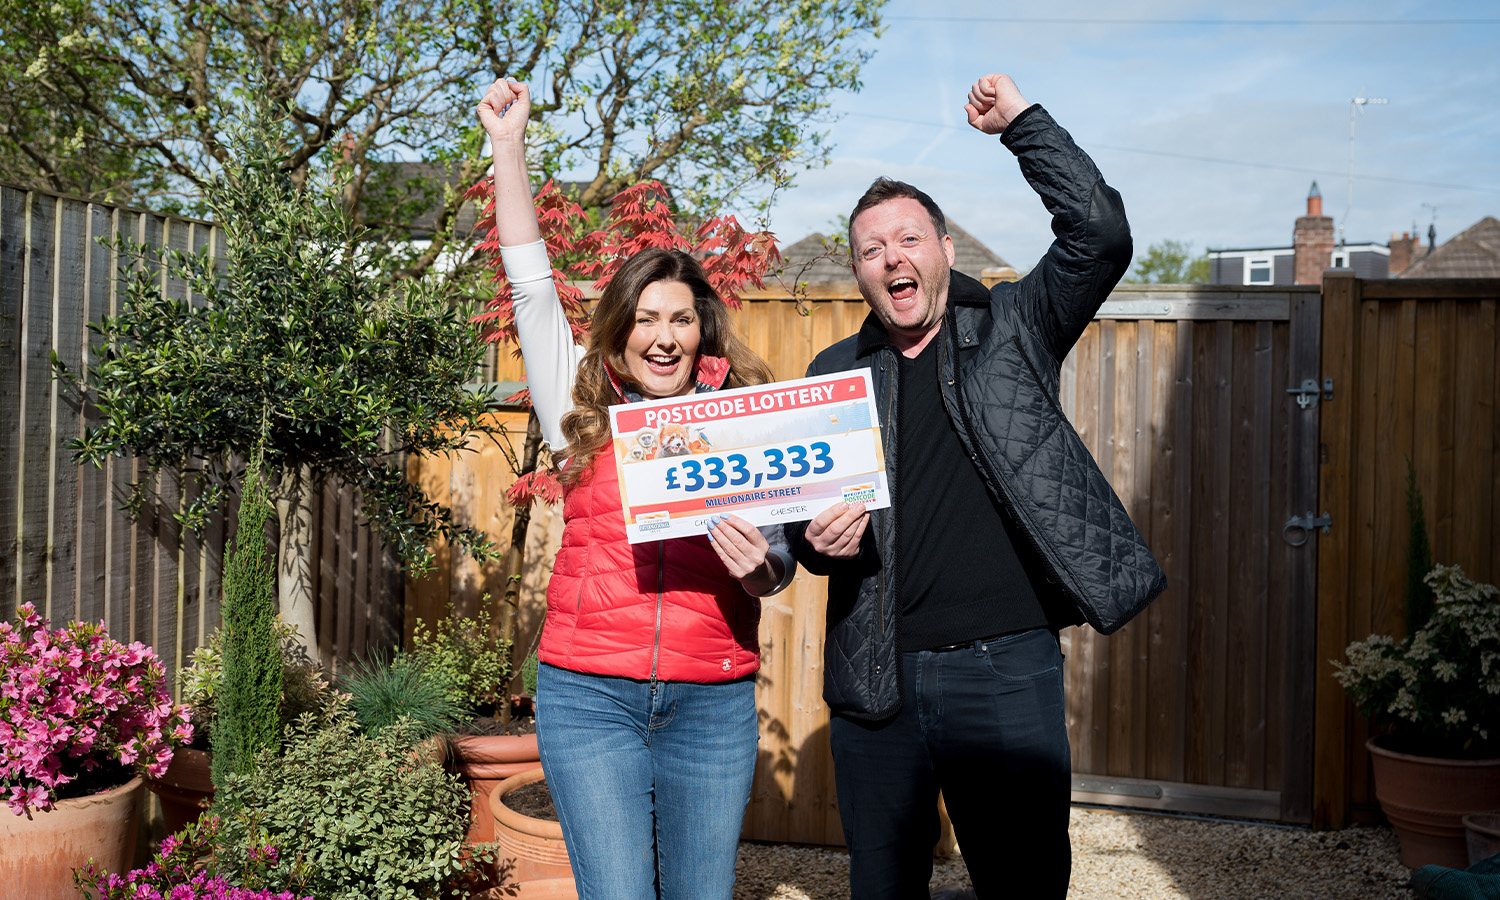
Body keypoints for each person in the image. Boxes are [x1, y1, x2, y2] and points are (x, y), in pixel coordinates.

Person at [785, 73, 1167, 899]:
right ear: (857, 272)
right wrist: (814, 543)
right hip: (876, 679)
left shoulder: (1010, 332)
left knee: (1023, 884)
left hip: (1003, 671)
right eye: (870, 250)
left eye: (909, 239)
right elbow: (805, 529)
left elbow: (1098, 233)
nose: (892, 259)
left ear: (946, 250)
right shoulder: (832, 376)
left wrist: (1023, 125)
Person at [476, 77, 795, 900]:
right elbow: (532, 288)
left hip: (711, 700)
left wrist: (761, 567)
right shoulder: (578, 412)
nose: (664, 336)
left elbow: (778, 560)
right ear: (621, 332)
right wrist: (508, 150)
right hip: (589, 699)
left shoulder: (741, 421)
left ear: (702, 330)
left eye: (681, 319)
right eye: (646, 319)